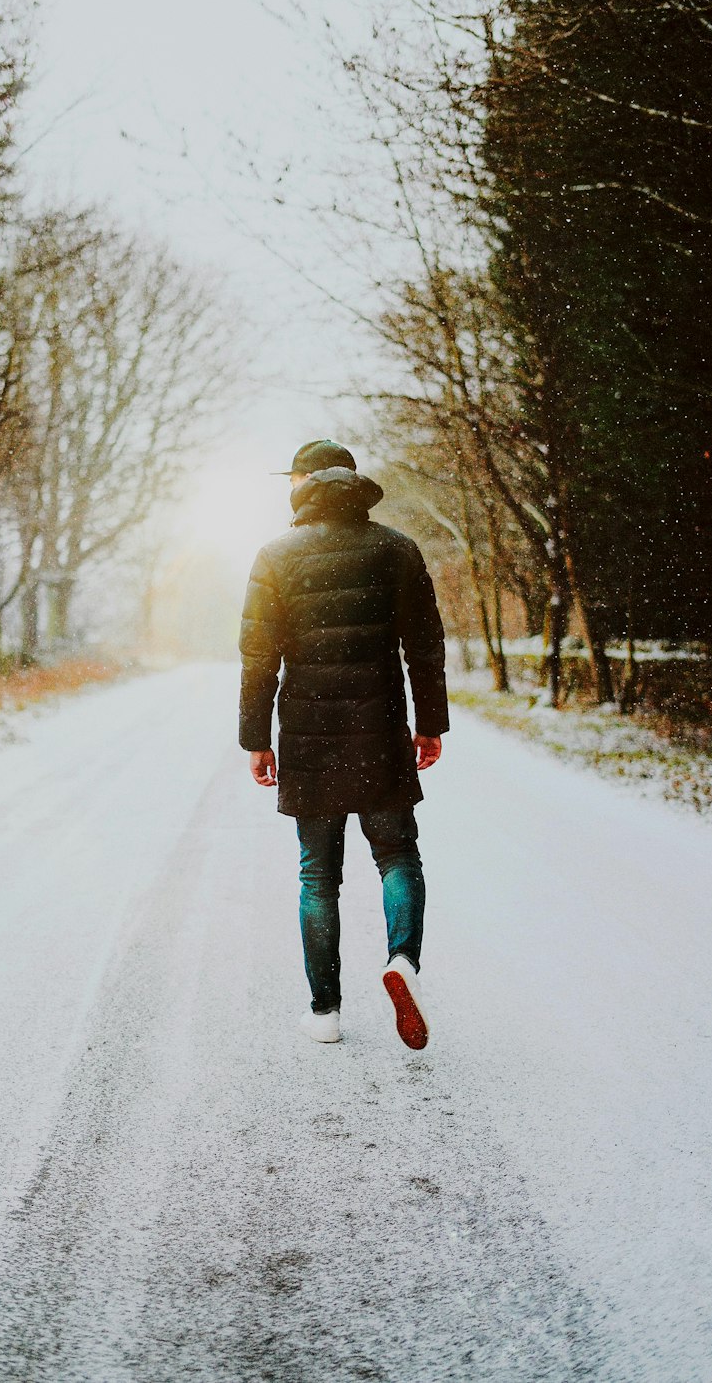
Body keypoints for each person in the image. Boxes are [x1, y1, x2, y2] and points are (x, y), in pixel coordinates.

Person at [239, 439, 448, 1049]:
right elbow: (425, 646)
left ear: (305, 490)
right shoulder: (396, 549)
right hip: (380, 727)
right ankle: (402, 961)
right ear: (358, 491)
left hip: (308, 733)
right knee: (397, 855)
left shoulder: (276, 555)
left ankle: (325, 1012)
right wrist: (429, 724)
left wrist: (256, 738)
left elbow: (259, 657)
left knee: (317, 876)